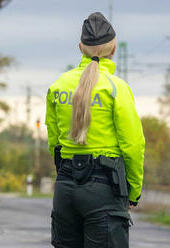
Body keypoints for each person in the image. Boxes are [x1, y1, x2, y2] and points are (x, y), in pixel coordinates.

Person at [45, 12, 145, 248]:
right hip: (104, 189)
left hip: (65, 187)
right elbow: (133, 145)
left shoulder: (58, 85)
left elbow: (53, 141)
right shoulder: (116, 88)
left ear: (81, 47)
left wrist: (64, 172)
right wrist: (133, 190)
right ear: (112, 49)